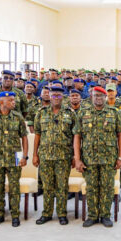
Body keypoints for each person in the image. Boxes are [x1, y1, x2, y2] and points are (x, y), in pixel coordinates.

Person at [72, 86, 121, 227]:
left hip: (109, 158)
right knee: (91, 187)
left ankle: (105, 215)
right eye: (96, 96)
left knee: (107, 187)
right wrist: (77, 159)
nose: (98, 98)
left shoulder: (114, 113)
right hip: (89, 158)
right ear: (92, 97)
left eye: (101, 96)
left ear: (105, 98)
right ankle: (92, 215)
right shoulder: (83, 113)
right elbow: (77, 136)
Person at [0, 91, 29, 227]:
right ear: (1, 102)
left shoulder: (18, 117)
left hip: (15, 157)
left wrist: (24, 156)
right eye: (10, 100)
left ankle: (15, 215)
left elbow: (24, 138)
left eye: (14, 100)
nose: (14, 103)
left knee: (15, 188)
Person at [34, 86, 76, 226]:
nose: (56, 98)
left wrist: (75, 156)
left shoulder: (70, 113)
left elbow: (76, 136)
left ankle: (62, 214)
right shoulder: (41, 113)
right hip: (45, 155)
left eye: (58, 95)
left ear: (63, 97)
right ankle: (46, 213)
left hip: (64, 156)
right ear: (49, 96)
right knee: (47, 186)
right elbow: (37, 135)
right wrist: (34, 154)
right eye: (53, 95)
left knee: (62, 186)